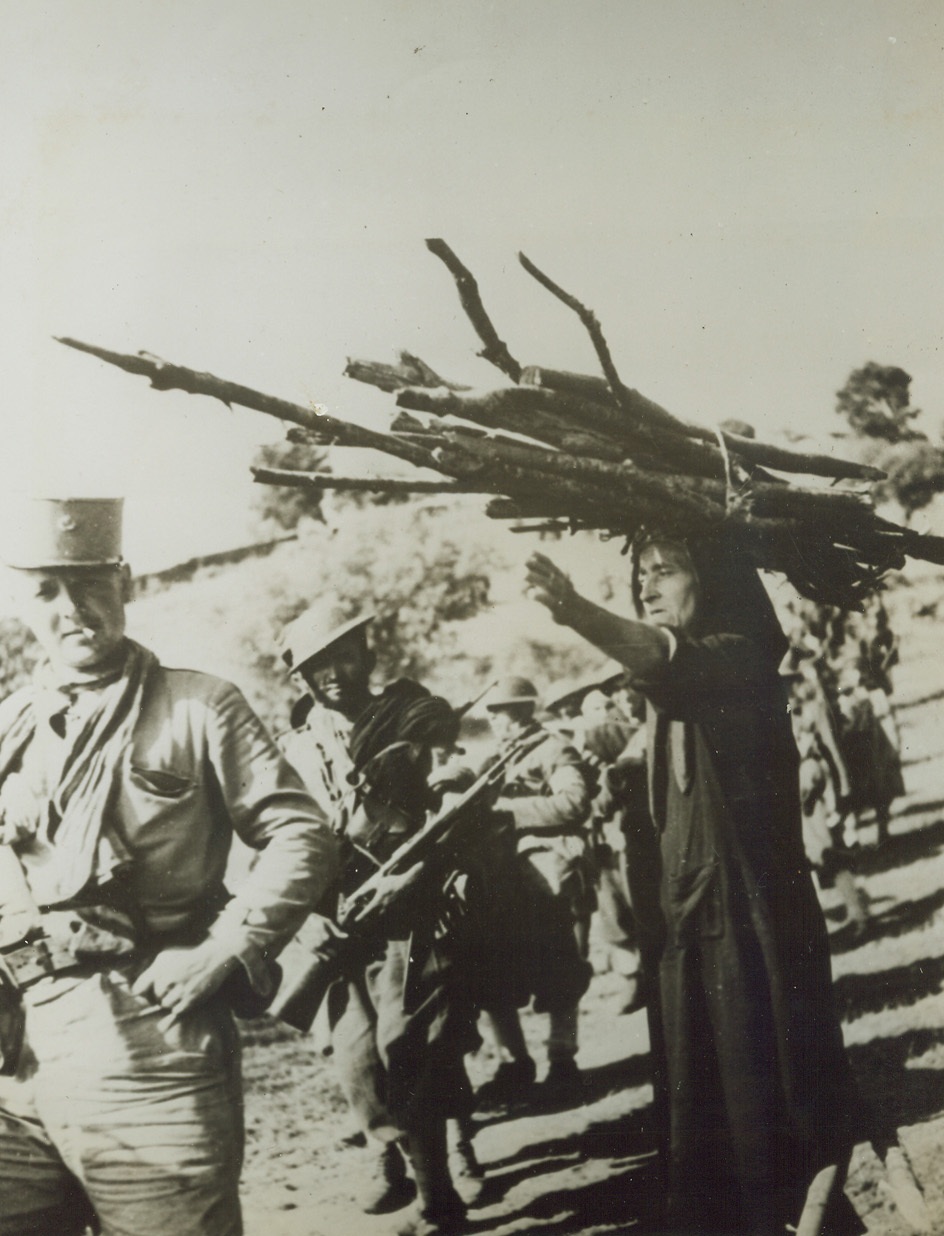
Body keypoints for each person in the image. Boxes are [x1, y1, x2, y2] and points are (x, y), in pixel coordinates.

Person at [0, 497, 339, 1236]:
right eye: (46, 592)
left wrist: (226, 947)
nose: (72, 610)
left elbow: (301, 834)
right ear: (19, 604)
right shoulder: (10, 725)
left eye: (91, 584)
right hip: (14, 1059)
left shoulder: (198, 706)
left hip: (149, 1044)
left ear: (125, 582)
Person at [525, 536, 866, 1234]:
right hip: (695, 923)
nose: (648, 588)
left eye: (667, 571)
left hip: (752, 928)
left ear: (713, 583)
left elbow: (664, 658)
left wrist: (574, 611)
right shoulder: (670, 692)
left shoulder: (738, 658)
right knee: (707, 1116)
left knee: (771, 1102)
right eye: (640, 575)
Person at [277, 599, 480, 1236]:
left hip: (412, 906)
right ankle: (389, 1156)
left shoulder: (414, 717)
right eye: (316, 665)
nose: (332, 673)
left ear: (366, 653)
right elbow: (276, 839)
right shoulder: (292, 749)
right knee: (358, 1056)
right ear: (300, 677)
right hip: (336, 916)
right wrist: (303, 918)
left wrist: (418, 873)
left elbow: (456, 796)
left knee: (410, 1043)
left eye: (343, 656)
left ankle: (439, 1194)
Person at [476, 677, 594, 1106]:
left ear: (525, 711)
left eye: (502, 712)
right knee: (494, 973)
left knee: (561, 970)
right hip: (501, 882)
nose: (495, 721)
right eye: (491, 714)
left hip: (546, 877)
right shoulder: (493, 759)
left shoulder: (554, 749)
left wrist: (506, 812)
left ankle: (563, 1060)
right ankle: (514, 1063)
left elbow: (574, 802)